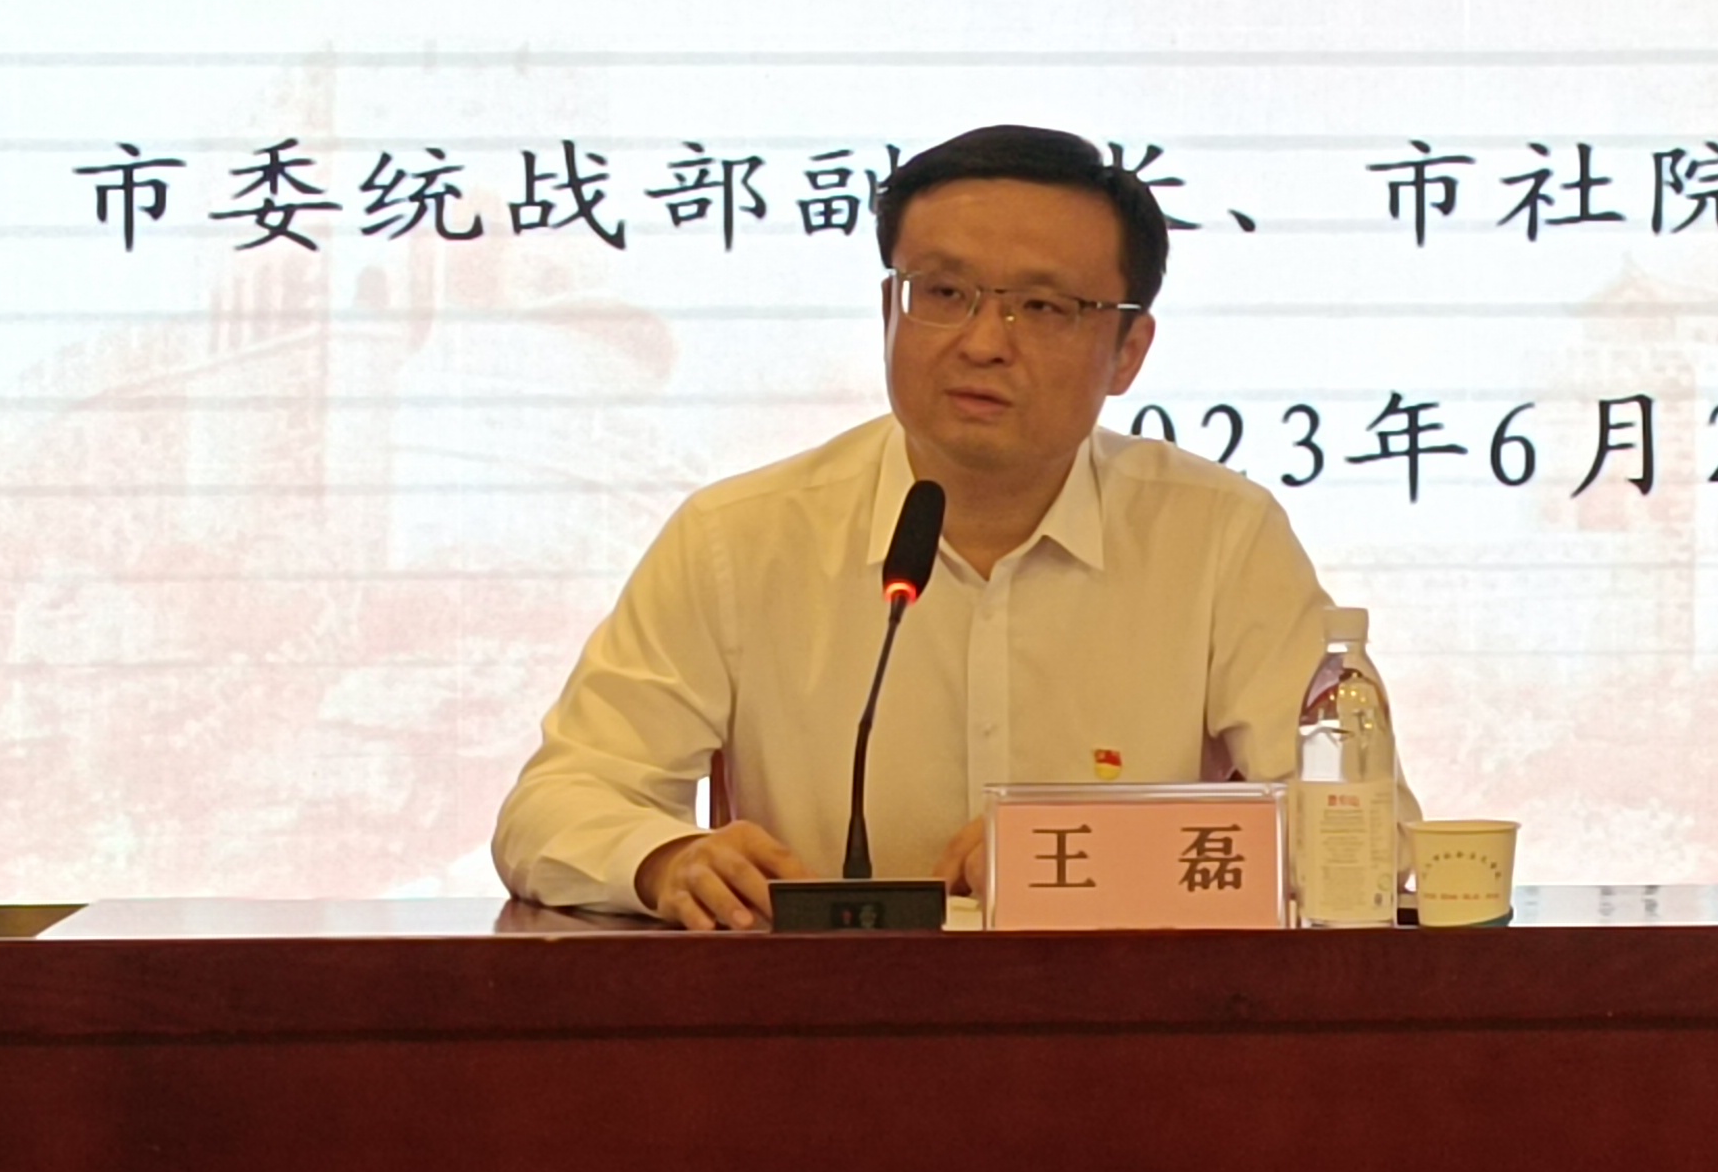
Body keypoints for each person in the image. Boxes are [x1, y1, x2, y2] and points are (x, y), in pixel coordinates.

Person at [491, 125, 1358, 927]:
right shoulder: (739, 538)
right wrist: (664, 860)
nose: (982, 342)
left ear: (1128, 351)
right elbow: (556, 803)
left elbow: (1358, 836)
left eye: (1043, 307)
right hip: (820, 1020)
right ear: (889, 311)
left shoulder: (1220, 539)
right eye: (943, 293)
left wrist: (1086, 855)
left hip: (1131, 1019)